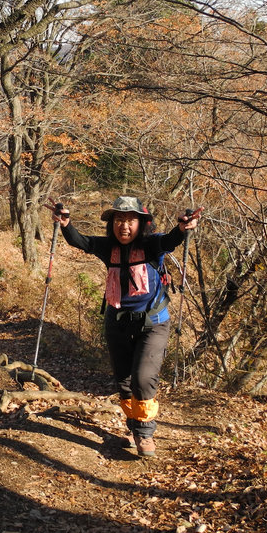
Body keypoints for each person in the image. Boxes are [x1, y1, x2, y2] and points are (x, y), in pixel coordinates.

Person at [53, 196, 201, 457]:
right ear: (112, 224)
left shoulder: (152, 245)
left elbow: (171, 239)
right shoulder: (107, 247)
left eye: (130, 220)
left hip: (153, 323)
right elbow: (81, 241)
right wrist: (66, 224)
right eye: (118, 220)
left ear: (141, 223)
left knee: (143, 379)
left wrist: (182, 228)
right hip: (117, 322)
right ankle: (135, 428)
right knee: (124, 382)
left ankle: (145, 434)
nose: (124, 226)